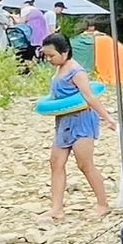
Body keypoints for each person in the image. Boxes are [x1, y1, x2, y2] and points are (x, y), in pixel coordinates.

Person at [41, 31, 115, 221]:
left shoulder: (76, 71)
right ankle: (56, 208)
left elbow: (90, 97)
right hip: (63, 122)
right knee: (55, 163)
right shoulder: (59, 70)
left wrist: (107, 118)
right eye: (46, 55)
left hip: (81, 121)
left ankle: (102, 204)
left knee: (85, 164)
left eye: (51, 55)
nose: (48, 59)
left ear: (64, 53)